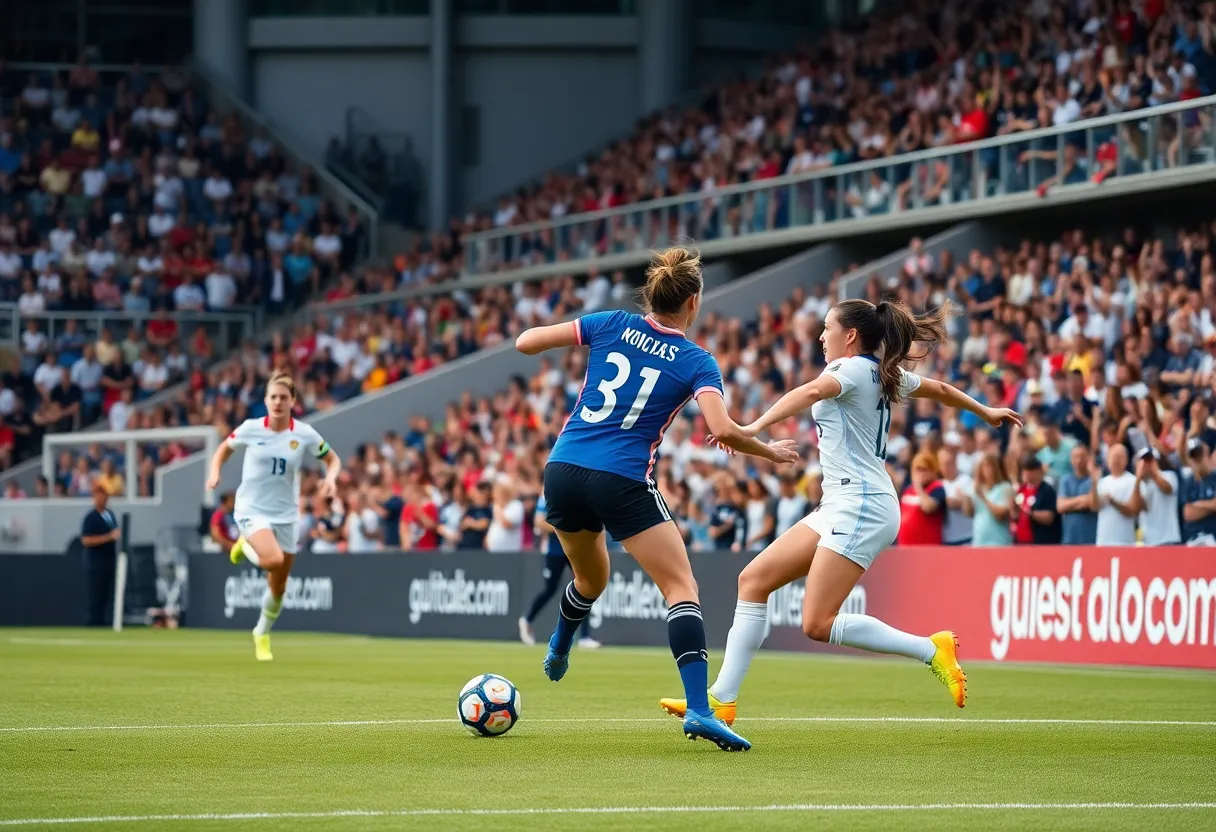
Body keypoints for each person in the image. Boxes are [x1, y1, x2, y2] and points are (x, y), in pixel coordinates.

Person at [660, 298, 1021, 727]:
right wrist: (984, 411)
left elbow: (811, 390)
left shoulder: (849, 370)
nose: (820, 336)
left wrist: (752, 428)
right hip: (844, 502)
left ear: (850, 336)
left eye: (827, 328)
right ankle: (721, 700)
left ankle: (931, 649)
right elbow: (940, 389)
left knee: (816, 622)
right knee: (753, 580)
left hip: (862, 504)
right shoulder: (886, 375)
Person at [515, 246, 799, 752]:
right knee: (680, 587)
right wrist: (768, 451)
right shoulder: (696, 360)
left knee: (590, 578)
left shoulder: (610, 323)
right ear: (692, 303)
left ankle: (560, 642)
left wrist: (568, 339)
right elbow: (721, 431)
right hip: (620, 478)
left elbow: (526, 342)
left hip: (562, 468)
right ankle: (698, 710)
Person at [206, 372, 341, 661]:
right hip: (252, 510)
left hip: (285, 516)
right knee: (273, 560)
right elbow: (223, 449)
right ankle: (244, 543)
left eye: (283, 397)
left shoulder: (303, 433)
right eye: (273, 397)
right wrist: (215, 471)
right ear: (266, 401)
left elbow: (332, 458)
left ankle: (261, 633)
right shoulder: (251, 428)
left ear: (293, 401)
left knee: (278, 587)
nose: (278, 402)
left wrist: (331, 478)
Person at [518, 492, 598, 649]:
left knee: (584, 588)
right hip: (555, 551)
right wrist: (565, 529)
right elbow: (539, 523)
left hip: (575, 549)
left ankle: (585, 636)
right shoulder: (546, 496)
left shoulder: (577, 494)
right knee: (550, 588)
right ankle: (527, 619)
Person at [80, 484, 120, 627]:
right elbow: (86, 540)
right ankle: (93, 622)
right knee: (95, 594)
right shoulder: (90, 518)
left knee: (107, 594)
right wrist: (108, 537)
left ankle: (105, 621)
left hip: (109, 560)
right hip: (95, 563)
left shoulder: (109, 515)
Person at [1129, 448, 1181, 546]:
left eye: (1150, 460)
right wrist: (1138, 479)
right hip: (1148, 542)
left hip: (1169, 540)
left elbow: (1167, 489)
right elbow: (1136, 508)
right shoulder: (1139, 485)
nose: (1146, 464)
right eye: (1144, 461)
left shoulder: (1169, 476)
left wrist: (1154, 473)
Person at [897, 450, 946, 545]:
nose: (921, 473)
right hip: (905, 547)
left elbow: (928, 507)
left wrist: (918, 487)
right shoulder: (907, 490)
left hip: (927, 549)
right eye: (918, 469)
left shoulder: (937, 487)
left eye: (924, 469)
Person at [968, 452, 1015, 546]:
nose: (985, 470)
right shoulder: (979, 488)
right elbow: (969, 513)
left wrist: (983, 498)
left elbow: (1000, 515)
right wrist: (966, 497)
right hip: (979, 542)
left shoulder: (1005, 488)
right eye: (983, 466)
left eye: (988, 466)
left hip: (999, 543)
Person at [1012, 456, 1061, 545]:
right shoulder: (1021, 490)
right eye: (1024, 470)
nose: (1025, 473)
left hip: (1040, 542)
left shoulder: (1046, 490)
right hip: (1020, 543)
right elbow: (1015, 515)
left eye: (1029, 470)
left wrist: (1028, 513)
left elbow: (1049, 517)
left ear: (1038, 471)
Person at [1095, 444, 1138, 546]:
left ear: (1126, 460)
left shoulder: (1133, 481)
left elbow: (1131, 510)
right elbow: (1094, 507)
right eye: (1112, 457)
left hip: (1125, 542)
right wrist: (1093, 483)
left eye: (1119, 457)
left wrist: (1113, 502)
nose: (1115, 460)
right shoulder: (1102, 482)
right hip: (1103, 541)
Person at [1057, 445, 1098, 545]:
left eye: (1082, 456)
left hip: (1090, 539)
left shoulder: (1093, 480)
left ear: (1088, 458)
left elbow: (1093, 504)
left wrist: (1071, 503)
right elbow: (1061, 506)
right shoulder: (1065, 480)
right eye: (1076, 457)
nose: (1079, 460)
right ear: (1071, 459)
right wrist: (1082, 500)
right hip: (1070, 539)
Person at [1181, 438, 1216, 545]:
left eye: (1199, 456)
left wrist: (1196, 504)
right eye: (1194, 457)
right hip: (1193, 539)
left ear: (1206, 454)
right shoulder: (1188, 481)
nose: (1198, 461)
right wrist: (1211, 506)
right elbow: (1188, 513)